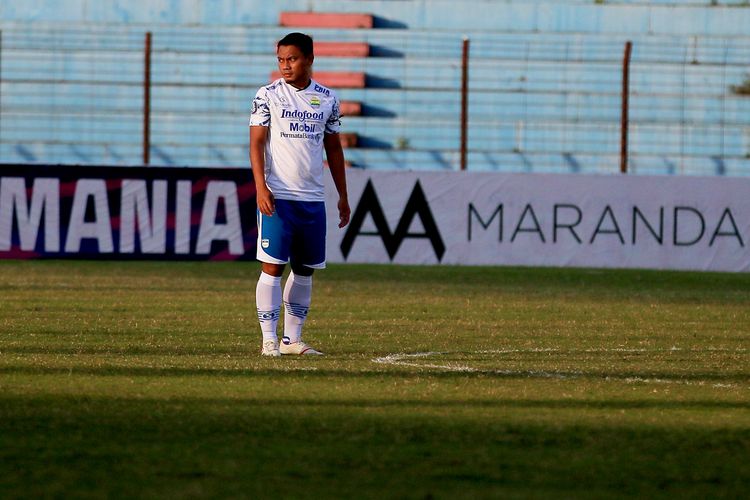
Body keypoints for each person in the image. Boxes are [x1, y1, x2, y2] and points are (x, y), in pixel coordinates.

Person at [249, 32, 350, 357]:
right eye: (280, 59)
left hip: (312, 199)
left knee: (305, 269)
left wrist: (342, 196)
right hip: (278, 196)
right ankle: (268, 339)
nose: (285, 65)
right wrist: (260, 186)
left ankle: (292, 340)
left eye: (291, 59)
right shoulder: (267, 95)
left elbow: (334, 150)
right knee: (273, 267)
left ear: (309, 59)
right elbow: (256, 143)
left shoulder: (328, 99)